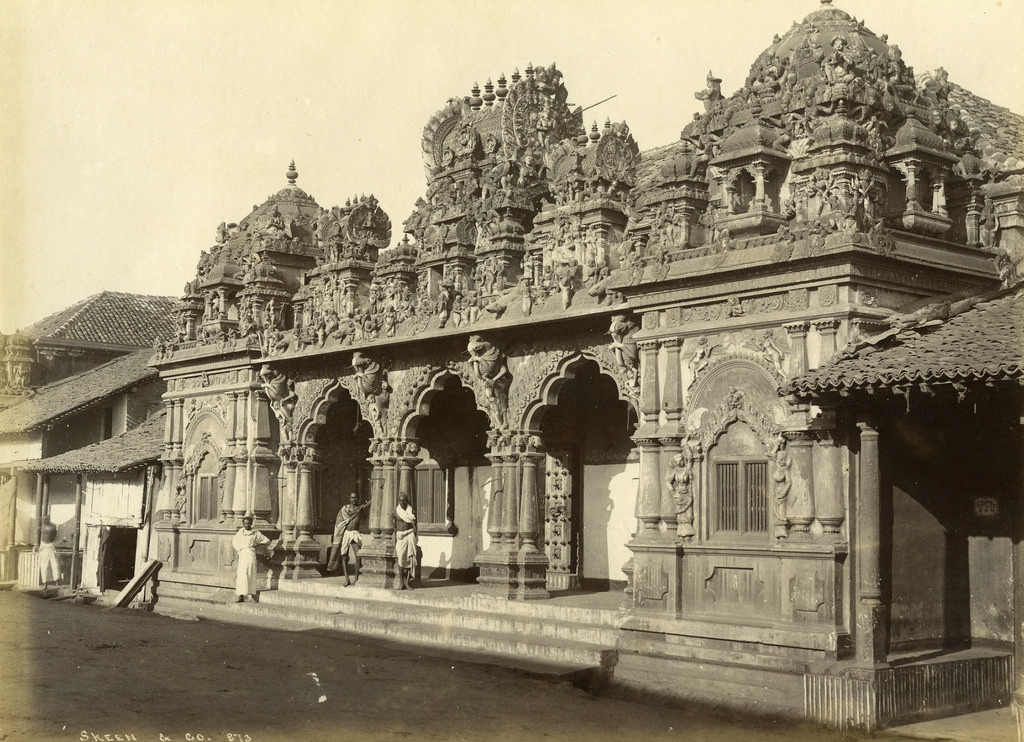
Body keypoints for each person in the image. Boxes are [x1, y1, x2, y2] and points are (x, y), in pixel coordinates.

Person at [328, 493, 370, 586]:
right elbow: (339, 523)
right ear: (349, 498)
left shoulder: (360, 509)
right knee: (344, 557)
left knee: (358, 556)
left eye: (356, 497)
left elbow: (371, 503)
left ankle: (356, 578)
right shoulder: (344, 510)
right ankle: (347, 579)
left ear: (358, 499)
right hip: (346, 534)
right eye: (352, 497)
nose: (354, 499)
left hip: (355, 534)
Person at [232, 515, 270, 602]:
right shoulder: (240, 533)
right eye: (246, 523)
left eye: (249, 523)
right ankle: (241, 596)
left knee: (251, 574)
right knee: (242, 575)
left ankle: (252, 595)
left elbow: (267, 540)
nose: (247, 525)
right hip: (242, 554)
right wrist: (240, 549)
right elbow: (234, 542)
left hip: (251, 554)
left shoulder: (256, 533)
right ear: (243, 524)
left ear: (251, 524)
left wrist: (256, 544)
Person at [394, 492, 417, 590]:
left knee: (410, 559)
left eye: (404, 500)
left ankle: (407, 583)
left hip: (410, 536)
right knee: (400, 559)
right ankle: (401, 582)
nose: (403, 502)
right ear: (398, 501)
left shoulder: (411, 512)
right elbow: (394, 526)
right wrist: (396, 538)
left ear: (407, 501)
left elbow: (415, 525)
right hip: (400, 537)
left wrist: (415, 535)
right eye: (401, 500)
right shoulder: (396, 511)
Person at [38, 519, 61, 591]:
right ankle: (49, 583)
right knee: (52, 565)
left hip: (47, 545)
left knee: (51, 565)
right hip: (47, 545)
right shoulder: (51, 527)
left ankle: (49, 583)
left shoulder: (44, 527)